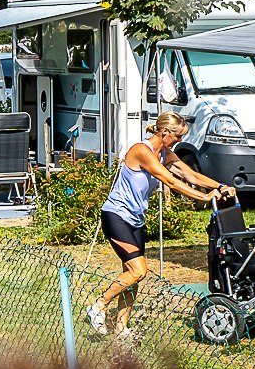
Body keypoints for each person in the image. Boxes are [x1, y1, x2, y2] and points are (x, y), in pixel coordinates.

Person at [87, 113, 233, 336]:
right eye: (178, 136)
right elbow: (171, 181)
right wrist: (204, 197)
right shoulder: (142, 151)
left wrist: (221, 186)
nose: (180, 141)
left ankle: (121, 328)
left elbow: (191, 176)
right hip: (116, 216)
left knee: (131, 276)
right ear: (165, 132)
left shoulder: (165, 153)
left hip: (136, 220)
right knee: (138, 271)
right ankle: (99, 305)